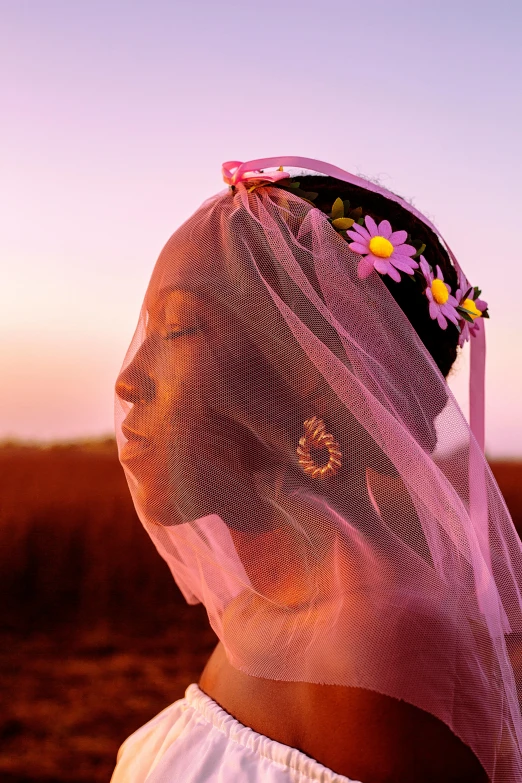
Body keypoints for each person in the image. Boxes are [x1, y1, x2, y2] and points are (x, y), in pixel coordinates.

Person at [111, 157, 522, 782]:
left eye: (177, 328)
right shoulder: (265, 608)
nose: (130, 379)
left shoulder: (380, 645)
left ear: (309, 373)